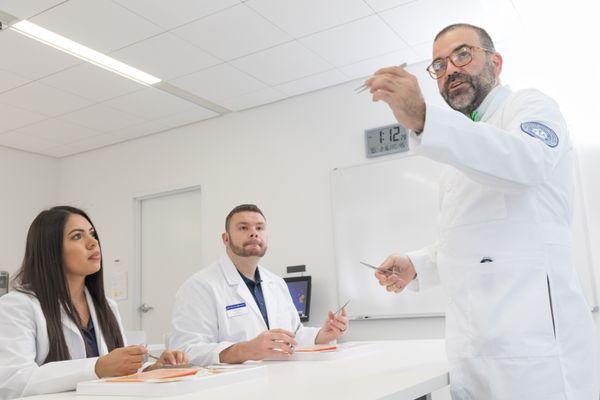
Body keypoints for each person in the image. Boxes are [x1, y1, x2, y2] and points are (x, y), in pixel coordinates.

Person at [364, 23, 599, 399]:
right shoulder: (461, 147)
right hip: (473, 349)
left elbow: (526, 163)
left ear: (496, 62)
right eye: (439, 65)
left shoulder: (529, 106)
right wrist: (418, 263)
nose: (450, 70)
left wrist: (424, 117)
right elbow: (474, 244)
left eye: (462, 54)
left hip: (533, 352)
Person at [0, 206, 188, 399]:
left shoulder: (106, 307)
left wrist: (152, 369)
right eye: (77, 236)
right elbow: (12, 382)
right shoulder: (18, 306)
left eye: (92, 234)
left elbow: (114, 374)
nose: (93, 243)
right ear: (50, 251)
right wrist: (96, 367)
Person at [170, 204, 348, 365]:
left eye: (259, 228)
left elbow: (294, 333)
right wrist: (246, 350)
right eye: (243, 227)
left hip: (280, 380)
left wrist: (321, 335)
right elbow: (186, 351)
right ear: (225, 238)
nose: (254, 232)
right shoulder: (199, 286)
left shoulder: (276, 283)